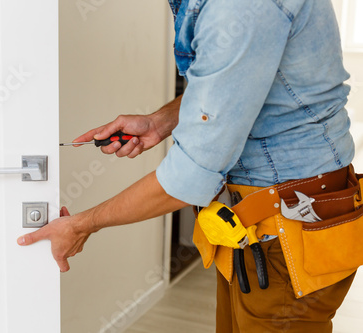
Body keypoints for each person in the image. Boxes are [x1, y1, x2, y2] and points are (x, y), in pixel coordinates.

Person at [18, 0, 360, 331]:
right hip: (253, 228)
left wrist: (81, 225)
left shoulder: (237, 8)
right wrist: (159, 122)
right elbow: (232, 85)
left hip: (289, 232)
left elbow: (190, 178)